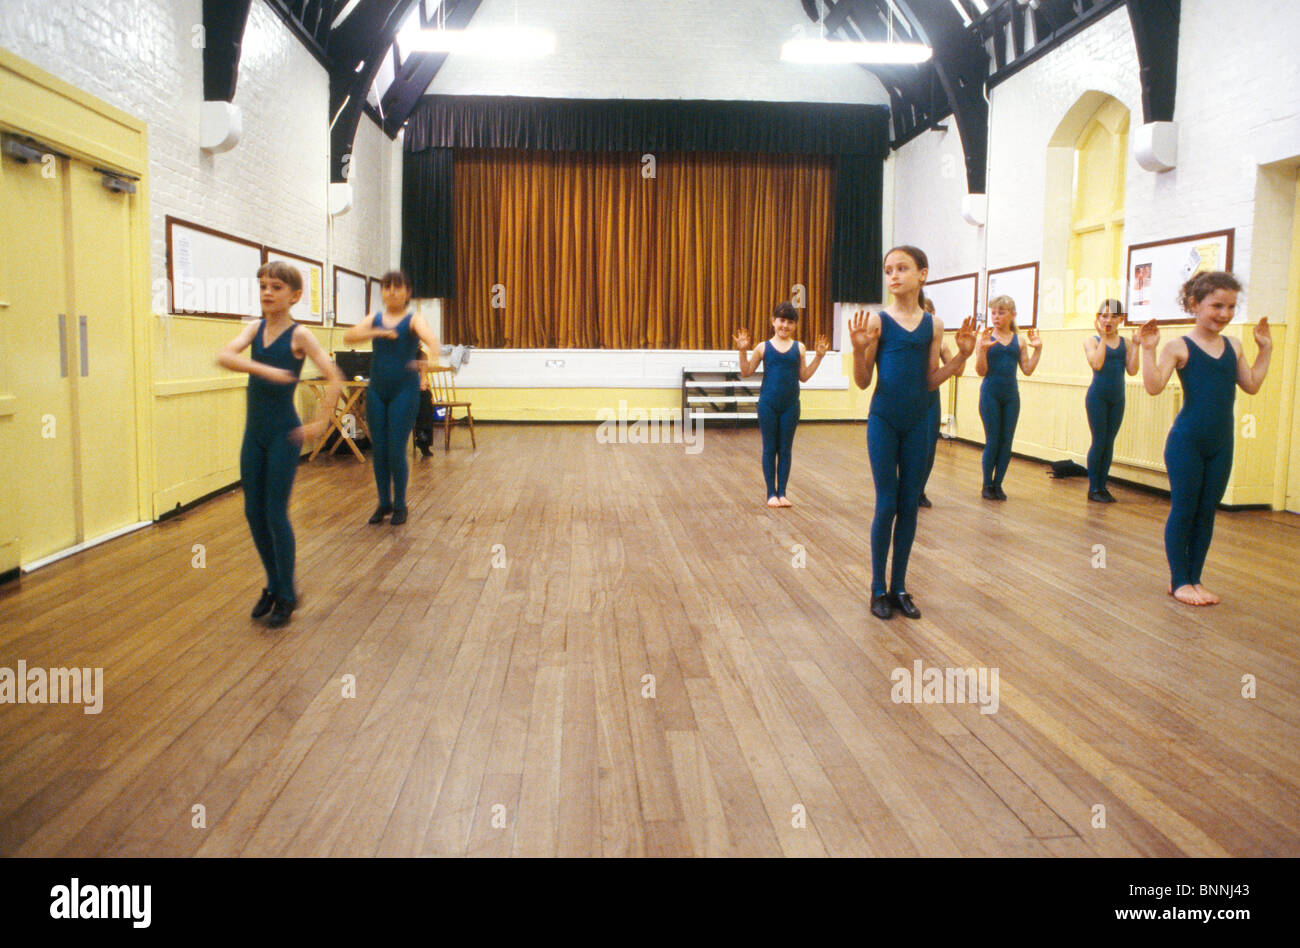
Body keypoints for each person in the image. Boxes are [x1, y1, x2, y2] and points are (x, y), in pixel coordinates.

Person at [850, 246, 976, 619]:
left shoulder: (933, 325)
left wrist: (961, 357)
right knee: (886, 502)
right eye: (888, 269)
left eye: (902, 268)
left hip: (920, 420)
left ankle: (900, 587)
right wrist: (859, 351)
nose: (893, 276)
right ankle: (877, 588)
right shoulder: (877, 323)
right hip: (884, 419)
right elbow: (862, 381)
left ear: (922, 273)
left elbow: (931, 380)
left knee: (909, 505)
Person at [217, 261, 343, 627]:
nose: (267, 293)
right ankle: (272, 584)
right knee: (252, 512)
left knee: (275, 512)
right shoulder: (254, 329)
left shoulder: (300, 336)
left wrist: (320, 422)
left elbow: (334, 376)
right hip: (253, 435)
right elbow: (224, 355)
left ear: (295, 296)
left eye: (275, 287)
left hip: (284, 435)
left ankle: (287, 592)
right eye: (262, 286)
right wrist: (264, 370)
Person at [1137, 271, 1271, 606]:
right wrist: (1148, 351)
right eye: (1217, 306)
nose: (1224, 314)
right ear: (1195, 304)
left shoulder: (1234, 346)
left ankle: (1194, 579)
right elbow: (1153, 387)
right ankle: (1179, 580)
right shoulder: (1179, 346)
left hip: (1221, 443)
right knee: (1185, 508)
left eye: (1230, 307)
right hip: (1186, 442)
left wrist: (1265, 349)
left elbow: (1252, 384)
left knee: (1207, 511)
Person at [343, 270, 440, 524]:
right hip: (377, 391)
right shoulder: (374, 318)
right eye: (387, 287)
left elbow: (431, 340)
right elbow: (349, 336)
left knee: (396, 448)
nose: (392, 291)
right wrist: (377, 333)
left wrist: (431, 354)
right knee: (381, 449)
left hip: (404, 392)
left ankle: (400, 505)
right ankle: (383, 502)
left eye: (398, 287)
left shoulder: (413, 319)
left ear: (407, 292)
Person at [734, 302, 829, 507]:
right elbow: (746, 371)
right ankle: (771, 494)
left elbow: (803, 376)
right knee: (770, 448)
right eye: (781, 320)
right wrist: (742, 351)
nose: (785, 325)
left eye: (790, 322)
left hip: (790, 406)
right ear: (773, 322)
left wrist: (819, 357)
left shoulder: (800, 348)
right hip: (768, 404)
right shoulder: (763, 347)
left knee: (785, 449)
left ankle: (782, 492)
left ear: (795, 325)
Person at [974, 295, 1042, 500]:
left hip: (1011, 396)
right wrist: (982, 351)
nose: (996, 317)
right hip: (990, 394)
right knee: (993, 440)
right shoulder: (985, 338)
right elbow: (980, 371)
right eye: (993, 312)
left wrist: (1038, 349)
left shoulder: (1019, 340)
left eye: (1001, 313)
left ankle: (998, 484)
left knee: (1007, 442)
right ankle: (987, 484)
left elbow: (1027, 369)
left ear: (1012, 315)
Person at [1083, 299, 1139, 502]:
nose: (1109, 320)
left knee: (1109, 442)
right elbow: (1097, 364)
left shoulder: (1126, 342)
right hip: (1097, 396)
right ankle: (1094, 488)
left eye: (1114, 317)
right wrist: (1104, 338)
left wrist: (1138, 345)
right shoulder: (1092, 341)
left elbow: (1132, 370)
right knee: (1099, 441)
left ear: (1121, 319)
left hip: (1117, 398)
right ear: (1098, 318)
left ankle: (1103, 486)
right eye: (1105, 316)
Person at [917, 297, 956, 509]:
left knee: (929, 446)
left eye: (928, 314)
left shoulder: (941, 342)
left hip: (932, 397)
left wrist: (964, 352)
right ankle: (906, 489)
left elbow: (954, 368)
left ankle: (920, 490)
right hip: (911, 397)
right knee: (911, 446)